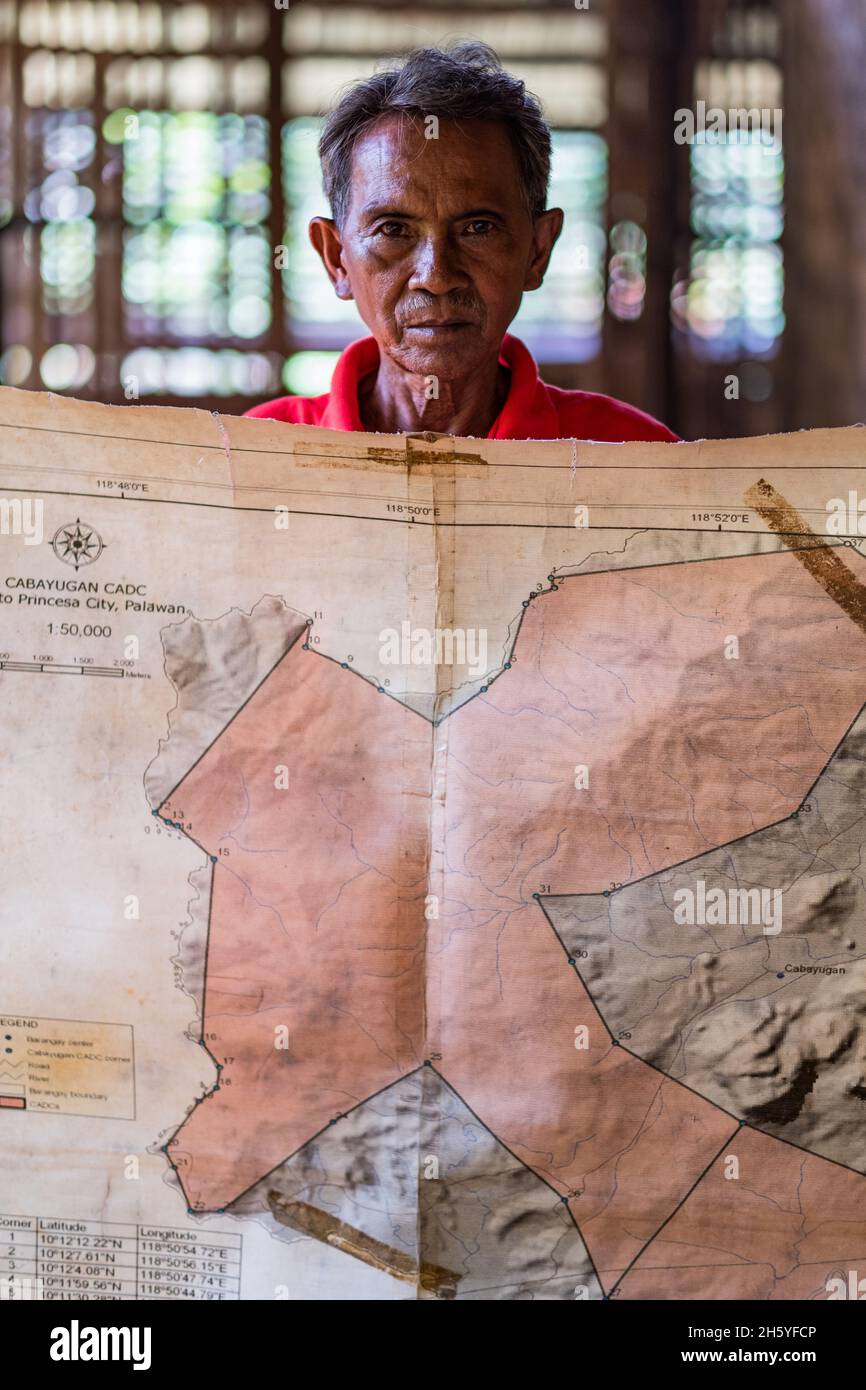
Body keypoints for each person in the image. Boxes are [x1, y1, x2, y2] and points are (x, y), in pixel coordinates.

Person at [246, 42, 677, 444]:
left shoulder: (635, 453)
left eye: (478, 228)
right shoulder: (252, 454)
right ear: (336, 258)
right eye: (393, 230)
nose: (436, 277)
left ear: (537, 250)